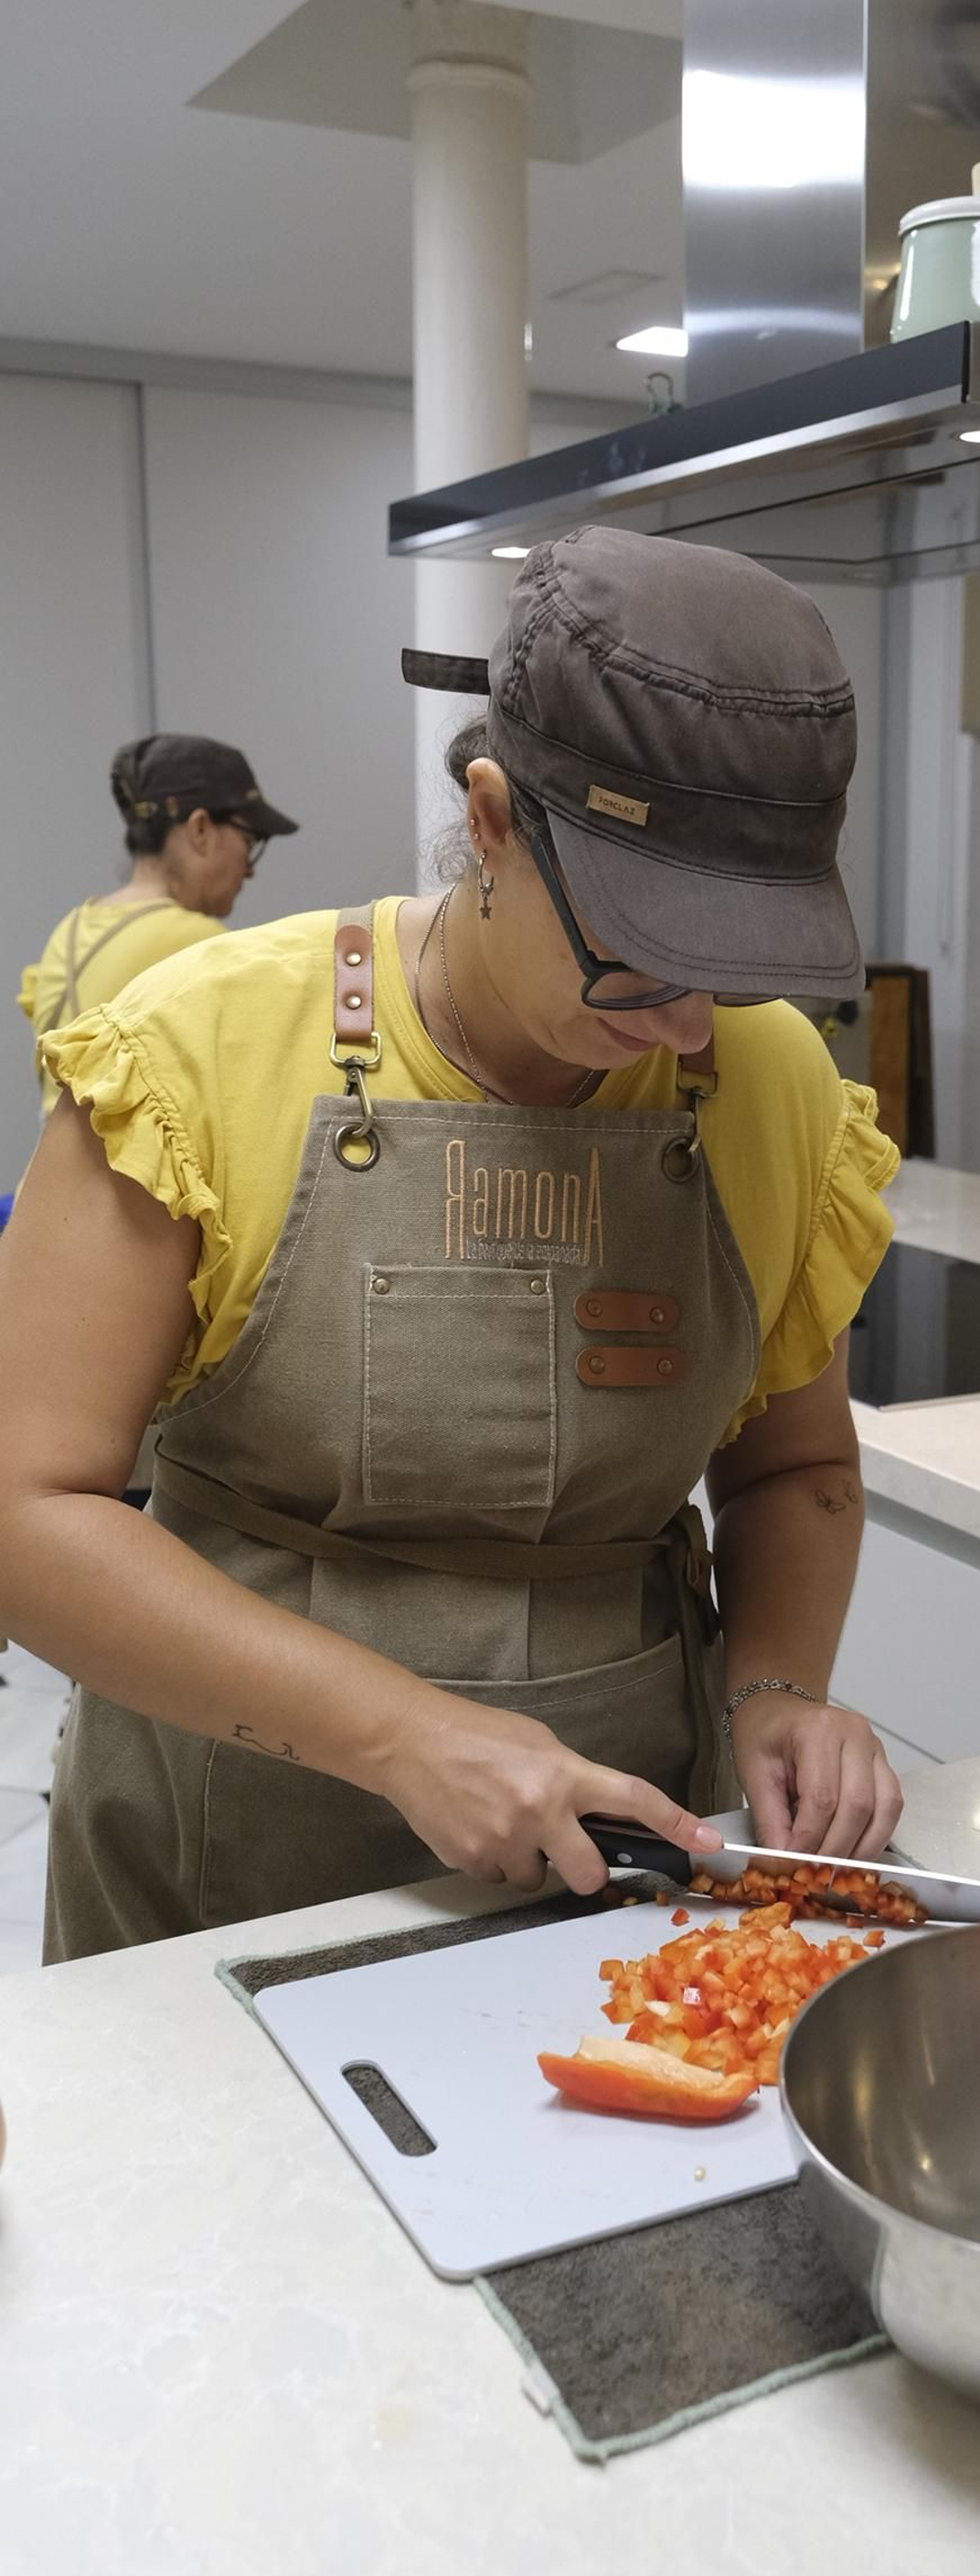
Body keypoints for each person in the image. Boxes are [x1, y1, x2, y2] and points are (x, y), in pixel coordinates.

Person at [0, 527, 900, 1961]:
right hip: (229, 1853)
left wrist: (775, 1687)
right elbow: (27, 1514)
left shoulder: (770, 1083)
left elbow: (795, 1466)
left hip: (620, 1862)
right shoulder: (204, 1048)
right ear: (492, 817)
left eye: (729, 977)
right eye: (640, 955)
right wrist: (403, 1733)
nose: (684, 1029)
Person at [19, 733, 297, 1117]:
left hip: (48, 1176)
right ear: (200, 828)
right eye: (250, 840)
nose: (249, 868)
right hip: (132, 1179)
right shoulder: (200, 947)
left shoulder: (68, 931)